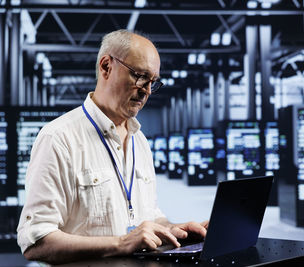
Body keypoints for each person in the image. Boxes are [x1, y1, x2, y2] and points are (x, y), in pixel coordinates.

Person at [17, 29, 208, 265]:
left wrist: (173, 229)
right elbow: (36, 242)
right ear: (106, 66)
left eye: (153, 82)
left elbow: (147, 216)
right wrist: (121, 243)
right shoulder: (59, 138)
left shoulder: (140, 141)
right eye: (140, 76)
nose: (146, 91)